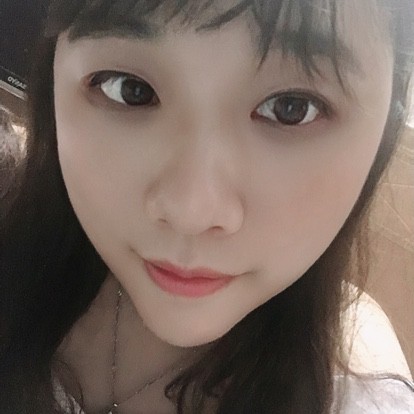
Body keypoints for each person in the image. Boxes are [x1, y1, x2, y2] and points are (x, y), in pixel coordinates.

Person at [1, 0, 414, 413]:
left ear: (388, 121)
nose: (191, 213)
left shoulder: (360, 399)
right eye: (130, 89)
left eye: (291, 109)